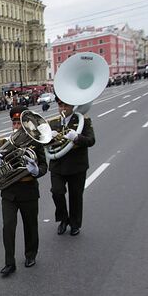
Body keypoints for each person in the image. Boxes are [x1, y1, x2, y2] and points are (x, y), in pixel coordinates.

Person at [0, 106, 48, 276]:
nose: (16, 126)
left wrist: (35, 171)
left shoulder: (35, 143)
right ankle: (9, 262)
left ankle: (30, 254)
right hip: (9, 192)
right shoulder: (4, 141)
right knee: (8, 227)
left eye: (19, 123)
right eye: (14, 122)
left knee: (30, 226)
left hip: (28, 190)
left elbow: (43, 166)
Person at [48, 95, 96, 236]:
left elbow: (91, 140)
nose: (62, 109)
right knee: (57, 192)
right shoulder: (53, 123)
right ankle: (63, 219)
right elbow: (45, 145)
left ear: (72, 107)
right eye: (60, 106)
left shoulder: (83, 121)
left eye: (66, 106)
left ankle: (75, 224)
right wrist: (48, 138)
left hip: (77, 165)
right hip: (58, 165)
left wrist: (76, 137)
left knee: (76, 196)